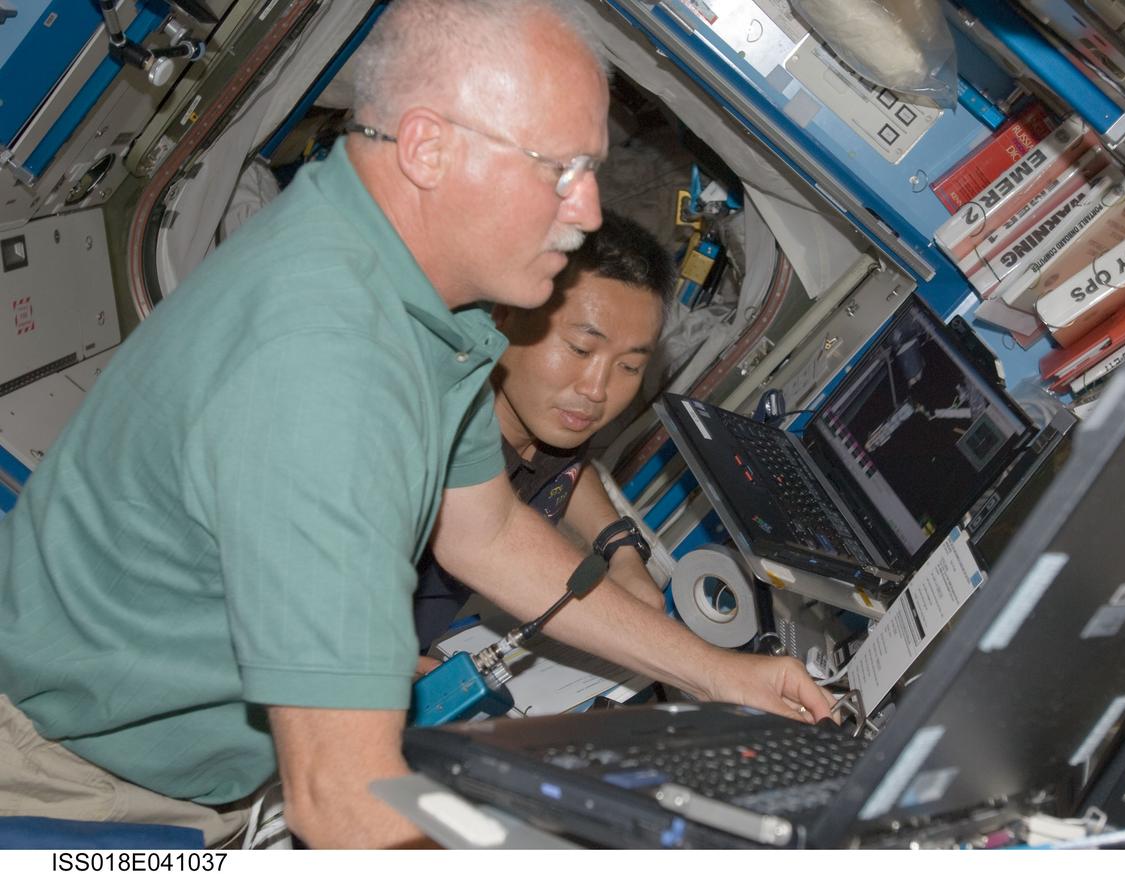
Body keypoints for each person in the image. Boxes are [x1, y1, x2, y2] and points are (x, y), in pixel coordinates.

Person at [0, 0, 836, 849]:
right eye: (562, 169)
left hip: (176, 778)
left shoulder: (396, 288)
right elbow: (349, 807)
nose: (587, 211)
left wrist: (718, 673)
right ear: (429, 147)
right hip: (79, 794)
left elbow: (488, 531)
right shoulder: (329, 367)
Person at [413, 210, 670, 661]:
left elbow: (566, 467)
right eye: (580, 349)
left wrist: (620, 547)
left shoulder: (548, 418)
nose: (596, 390)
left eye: (629, 366)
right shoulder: (425, 440)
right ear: (505, 313)